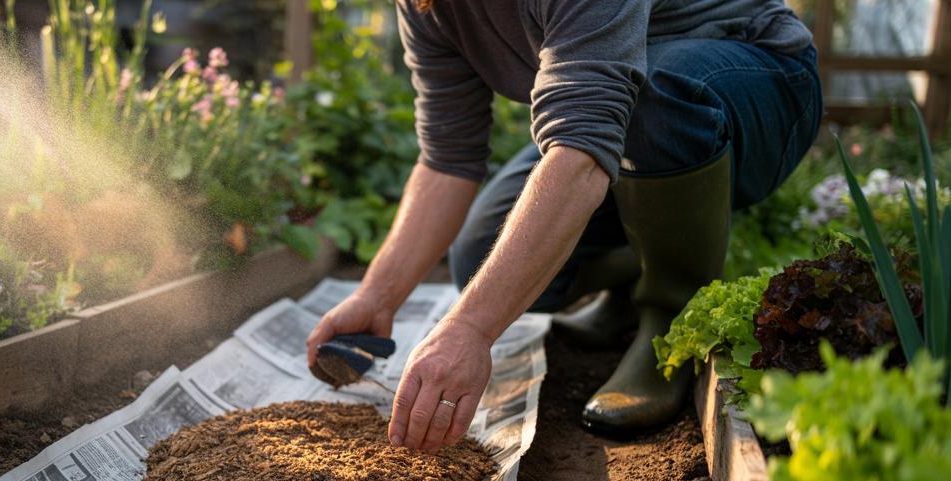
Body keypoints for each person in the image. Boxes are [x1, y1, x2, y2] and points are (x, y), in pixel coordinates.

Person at [306, 0, 822, 450]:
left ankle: (670, 320)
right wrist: (377, 295)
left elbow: (580, 151)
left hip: (757, 84)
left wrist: (469, 330)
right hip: (621, 114)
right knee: (481, 256)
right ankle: (643, 270)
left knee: (651, 97)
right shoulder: (428, 5)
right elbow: (447, 159)